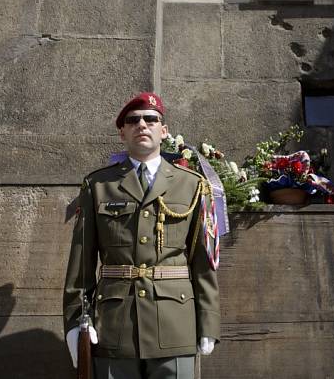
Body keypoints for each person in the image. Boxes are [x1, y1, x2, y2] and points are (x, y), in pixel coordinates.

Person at [63, 92, 220, 379]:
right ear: (122, 132)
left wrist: (208, 322)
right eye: (133, 120)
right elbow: (81, 265)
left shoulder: (192, 185)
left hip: (175, 321)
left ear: (164, 131)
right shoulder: (98, 185)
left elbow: (202, 261)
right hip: (114, 325)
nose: (142, 125)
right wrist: (75, 323)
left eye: (151, 119)